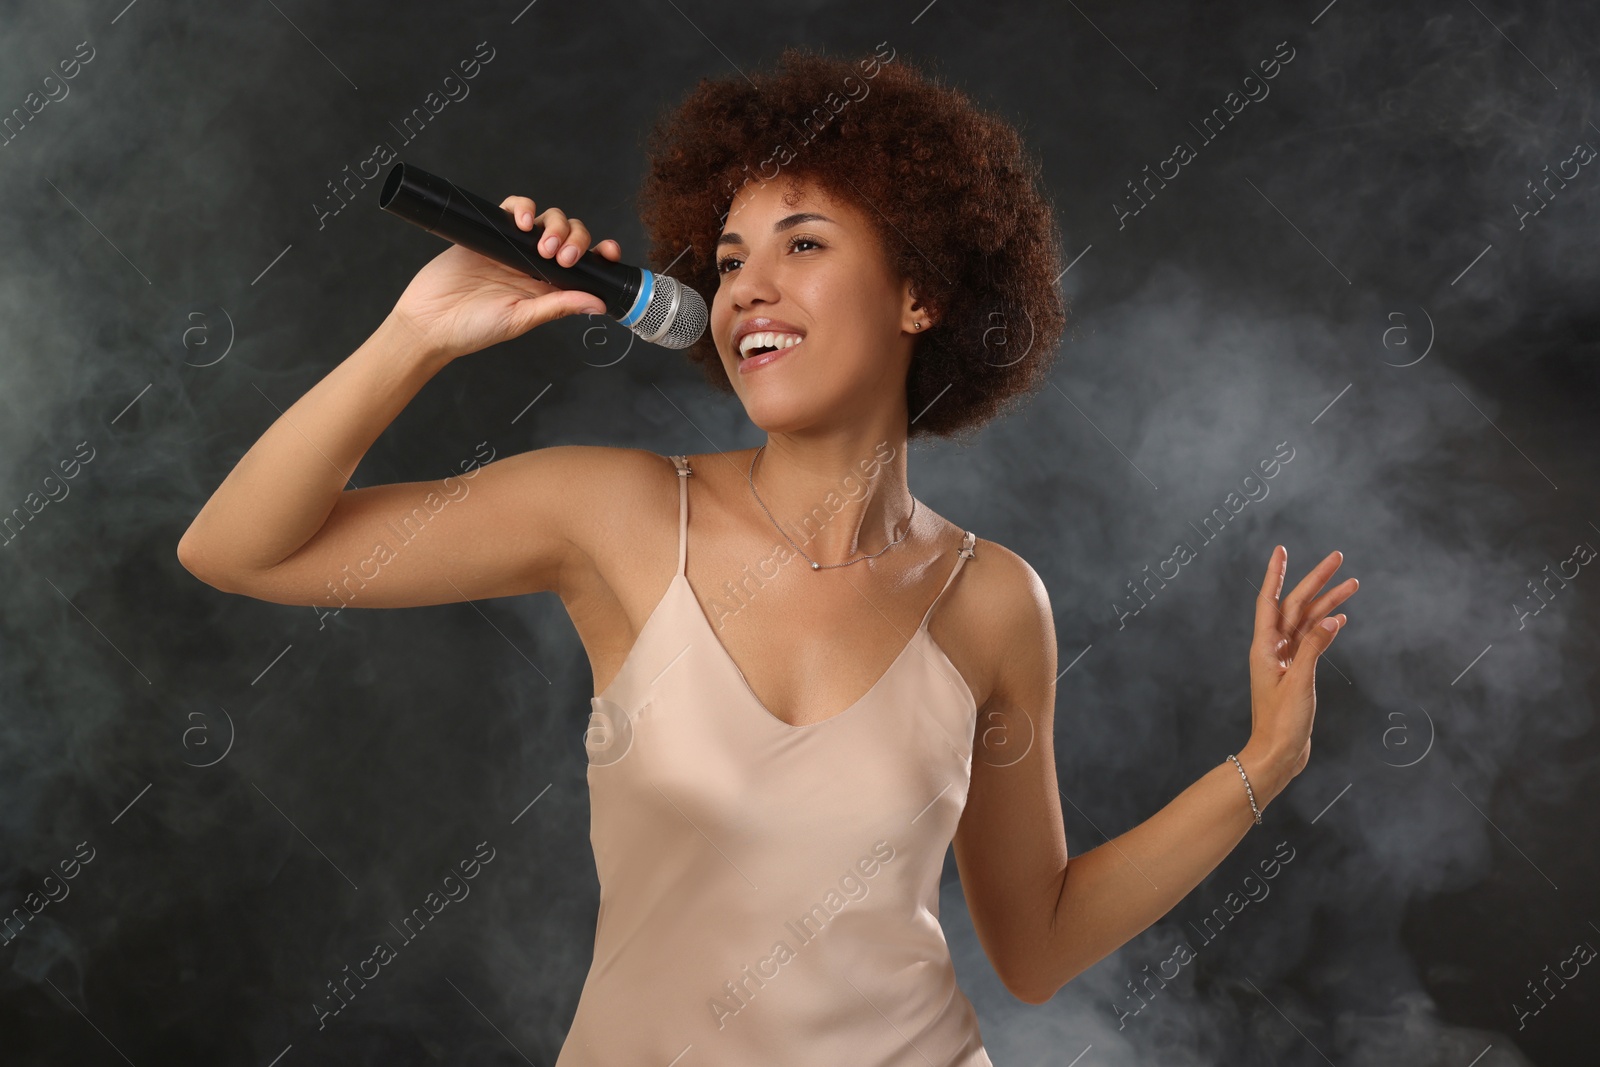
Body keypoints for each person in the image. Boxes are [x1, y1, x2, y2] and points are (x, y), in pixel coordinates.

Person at [178, 46, 1356, 1067]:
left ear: (921, 292)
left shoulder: (993, 600)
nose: (748, 289)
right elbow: (237, 549)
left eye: (801, 243)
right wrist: (417, 336)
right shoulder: (613, 514)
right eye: (729, 257)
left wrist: (1264, 760)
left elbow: (1035, 944)